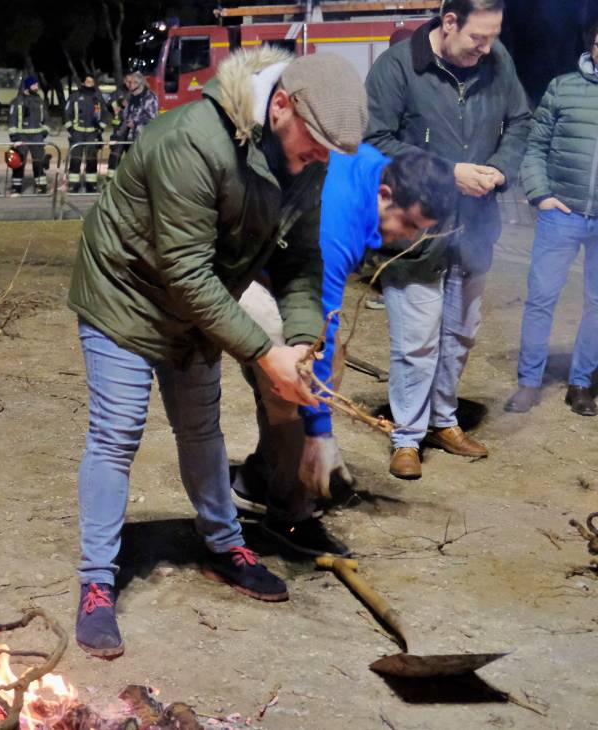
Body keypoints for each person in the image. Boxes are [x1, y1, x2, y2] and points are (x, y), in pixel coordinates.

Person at [67, 48, 368, 658]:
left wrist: (300, 341)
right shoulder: (193, 140)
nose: (322, 160)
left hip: (199, 303)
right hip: (126, 295)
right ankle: (96, 581)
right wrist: (263, 352)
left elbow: (300, 260)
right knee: (117, 433)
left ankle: (225, 544)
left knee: (202, 429)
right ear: (280, 106)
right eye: (316, 145)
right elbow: (184, 271)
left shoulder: (305, 159)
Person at [233, 147, 457, 556]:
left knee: (325, 374)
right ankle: (289, 514)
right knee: (295, 388)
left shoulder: (376, 171)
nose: (409, 238)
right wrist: (319, 433)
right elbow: (319, 327)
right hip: (240, 271)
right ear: (385, 194)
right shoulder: (340, 221)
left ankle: (258, 479)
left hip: (285, 269)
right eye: (409, 224)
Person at [364, 0, 530, 479]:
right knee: (416, 342)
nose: (487, 48)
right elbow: (373, 141)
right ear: (450, 22)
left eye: (493, 37)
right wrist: (447, 172)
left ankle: (442, 420)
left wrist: (500, 168)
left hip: (474, 228)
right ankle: (407, 436)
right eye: (478, 37)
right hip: (415, 231)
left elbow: (520, 121)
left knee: (459, 334)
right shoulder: (397, 67)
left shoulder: (497, 61)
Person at [507, 21, 598, 418]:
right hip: (562, 214)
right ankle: (529, 382)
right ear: (592, 45)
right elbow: (535, 147)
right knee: (541, 298)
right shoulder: (563, 88)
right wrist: (540, 194)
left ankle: (581, 383)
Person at [106, 72, 158, 175]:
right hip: (125, 133)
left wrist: (135, 123)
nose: (130, 85)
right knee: (115, 157)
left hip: (140, 135)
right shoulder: (130, 95)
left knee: (137, 162)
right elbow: (124, 112)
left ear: (141, 83)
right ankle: (111, 180)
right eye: (130, 82)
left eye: (134, 82)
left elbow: (151, 118)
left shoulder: (149, 96)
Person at [63, 74, 109, 193]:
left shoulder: (98, 97)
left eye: (92, 82)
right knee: (75, 159)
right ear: (82, 83)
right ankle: (73, 185)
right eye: (88, 82)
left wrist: (100, 129)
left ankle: (91, 185)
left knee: (92, 160)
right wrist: (71, 129)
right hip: (77, 133)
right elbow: (66, 114)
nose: (90, 84)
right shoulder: (74, 97)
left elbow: (105, 115)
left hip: (92, 134)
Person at [7, 76, 49, 195]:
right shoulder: (17, 101)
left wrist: (44, 132)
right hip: (22, 136)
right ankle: (16, 187)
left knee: (39, 161)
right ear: (27, 86)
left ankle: (41, 186)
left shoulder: (39, 101)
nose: (36, 87)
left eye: (37, 85)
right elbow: (12, 120)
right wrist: (14, 137)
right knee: (19, 162)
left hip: (37, 136)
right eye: (34, 85)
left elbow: (46, 118)